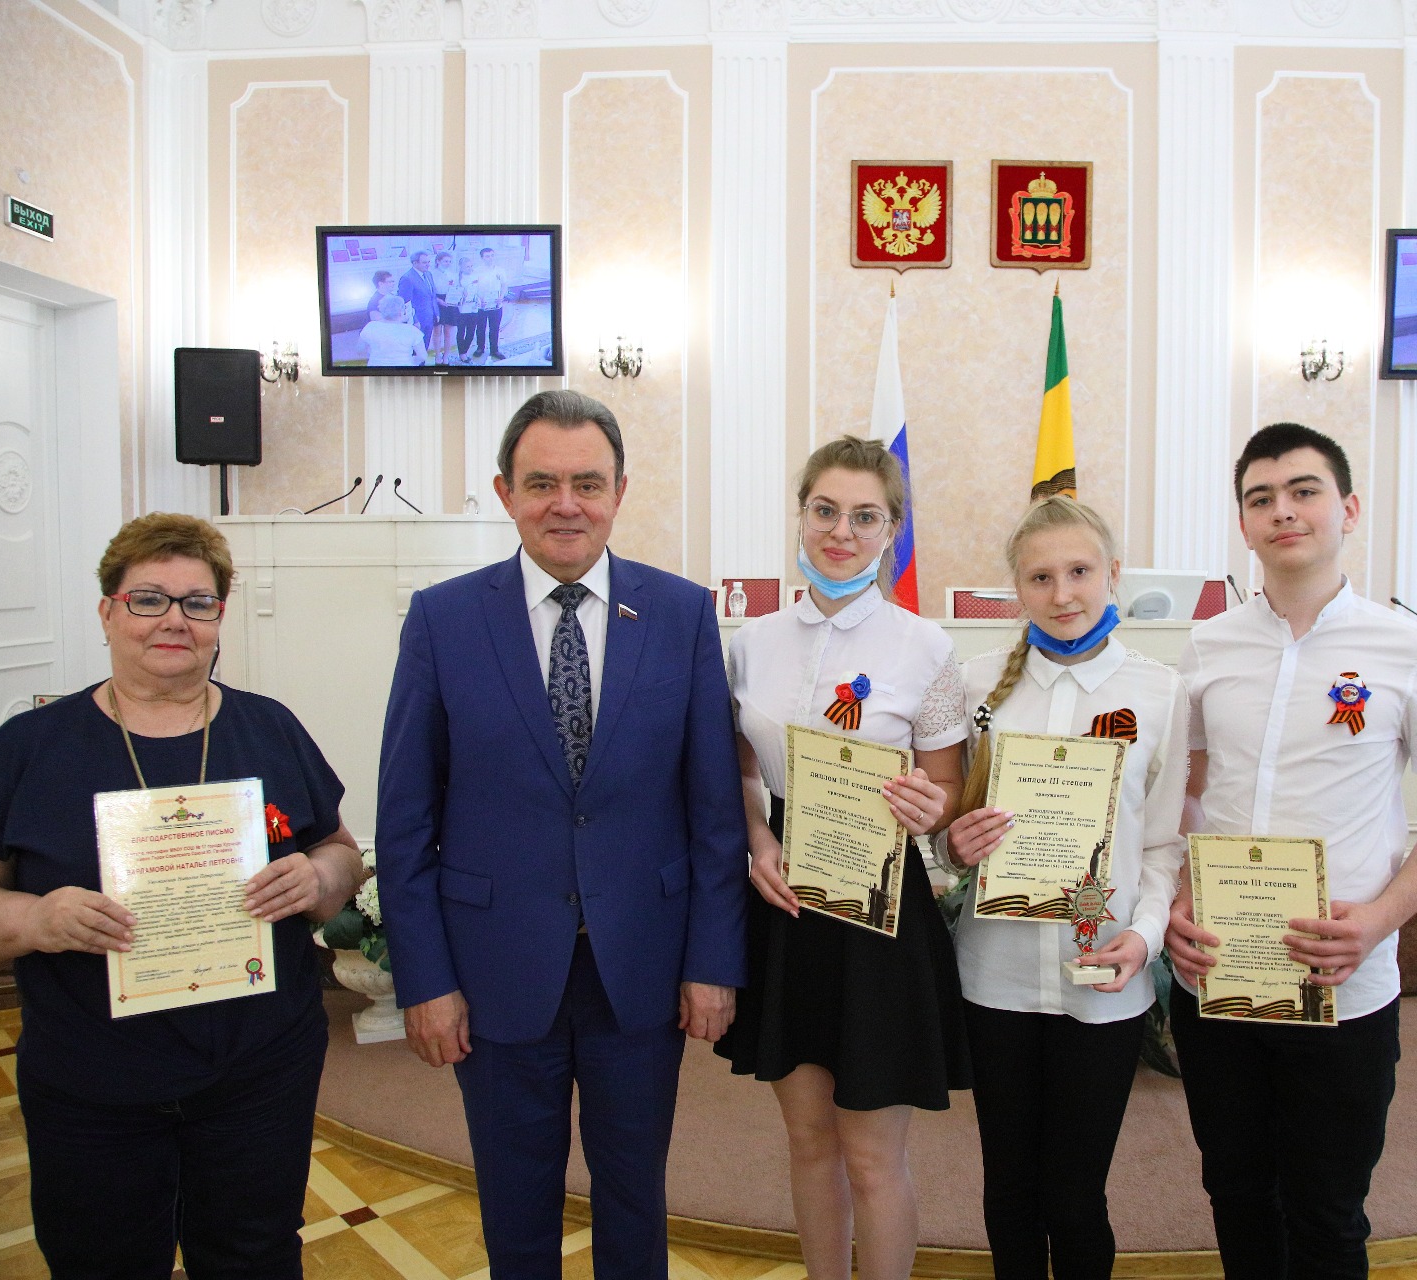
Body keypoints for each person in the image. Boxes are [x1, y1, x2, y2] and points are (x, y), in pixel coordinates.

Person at [0, 513, 365, 1278]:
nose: (174, 620)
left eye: (198, 602)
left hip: (259, 1072)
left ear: (219, 616)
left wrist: (318, 877)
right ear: (108, 612)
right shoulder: (33, 746)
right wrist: (36, 917)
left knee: (256, 1255)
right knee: (104, 1262)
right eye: (149, 599)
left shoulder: (270, 728)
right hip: (94, 1081)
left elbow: (340, 851)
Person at [377, 389, 748, 1280]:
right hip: (494, 969)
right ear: (505, 492)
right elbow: (405, 819)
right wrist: (424, 979)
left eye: (588, 482)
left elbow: (713, 811)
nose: (566, 504)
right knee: (514, 1205)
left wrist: (713, 961)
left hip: (641, 970)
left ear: (621, 491)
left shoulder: (682, 614)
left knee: (635, 1199)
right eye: (542, 483)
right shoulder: (442, 619)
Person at [1165, 423, 1417, 1280]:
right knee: (1236, 1192)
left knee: (1327, 1212)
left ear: (1347, 509)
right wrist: (1181, 894)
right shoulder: (1209, 646)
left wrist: (1379, 920)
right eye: (1261, 498)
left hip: (1342, 982)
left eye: (1304, 491)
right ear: (1243, 523)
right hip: (1221, 974)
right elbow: (1188, 793)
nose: (1283, 511)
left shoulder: (1409, 650)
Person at [715, 434, 971, 1280]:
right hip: (787, 903)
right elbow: (738, 768)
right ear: (801, 515)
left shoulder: (924, 647)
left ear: (891, 530)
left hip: (879, 915)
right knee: (808, 1140)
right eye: (825, 510)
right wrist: (757, 841)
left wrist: (932, 808)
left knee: (871, 1154)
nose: (841, 532)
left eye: (865, 517)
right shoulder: (751, 641)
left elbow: (945, 791)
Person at [940, 495, 1189, 1280]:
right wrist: (953, 845)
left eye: (1080, 571)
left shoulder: (1161, 693)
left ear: (1114, 573)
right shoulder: (976, 685)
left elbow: (1164, 843)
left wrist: (1146, 935)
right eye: (1040, 577)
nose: (1063, 594)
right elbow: (946, 830)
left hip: (1104, 976)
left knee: (1077, 1197)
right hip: (996, 976)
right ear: (1016, 587)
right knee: (1010, 1188)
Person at [358, 294, 428, 366]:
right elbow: (422, 356)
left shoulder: (371, 327)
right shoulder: (412, 331)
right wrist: (412, 361)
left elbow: (359, 350)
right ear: (401, 311)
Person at [397, 249, 440, 348]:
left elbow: (432, 296)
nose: (428, 265)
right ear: (415, 263)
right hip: (417, 320)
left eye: (428, 262)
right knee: (416, 349)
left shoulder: (428, 274)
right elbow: (405, 303)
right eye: (424, 262)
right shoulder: (407, 278)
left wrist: (436, 312)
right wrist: (415, 320)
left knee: (425, 346)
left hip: (430, 317)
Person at [432, 250, 460, 364]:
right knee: (437, 331)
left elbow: (456, 289)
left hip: (450, 303)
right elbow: (430, 292)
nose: (448, 263)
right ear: (438, 261)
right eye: (445, 261)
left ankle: (446, 356)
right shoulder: (431, 274)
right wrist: (438, 300)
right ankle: (437, 355)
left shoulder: (453, 274)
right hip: (437, 301)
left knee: (448, 332)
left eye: (449, 261)